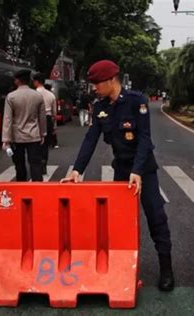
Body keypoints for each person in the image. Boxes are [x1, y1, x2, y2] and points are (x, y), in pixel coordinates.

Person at [61, 60, 174, 291]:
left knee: (156, 216)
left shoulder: (137, 101)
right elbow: (90, 139)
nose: (93, 87)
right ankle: (122, 266)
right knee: (119, 221)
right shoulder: (101, 106)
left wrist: (138, 171)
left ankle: (167, 269)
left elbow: (144, 138)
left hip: (144, 170)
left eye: (96, 83)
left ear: (112, 80)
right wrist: (77, 170)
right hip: (122, 171)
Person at [2, 69, 46, 181]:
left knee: (19, 165)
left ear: (17, 81)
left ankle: (22, 189)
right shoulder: (37, 96)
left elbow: (8, 119)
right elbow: (42, 117)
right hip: (34, 135)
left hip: (17, 137)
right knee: (35, 164)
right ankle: (38, 189)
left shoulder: (11, 97)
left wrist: (6, 139)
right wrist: (43, 133)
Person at [32, 73, 57, 174]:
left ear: (36, 82)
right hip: (48, 119)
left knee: (36, 143)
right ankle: (44, 163)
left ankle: (37, 164)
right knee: (45, 144)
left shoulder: (34, 94)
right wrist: (54, 126)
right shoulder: (51, 95)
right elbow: (54, 113)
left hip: (36, 119)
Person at [44, 83, 60, 149]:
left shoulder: (38, 94)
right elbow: (54, 108)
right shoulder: (51, 95)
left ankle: (45, 142)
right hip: (49, 114)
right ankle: (54, 143)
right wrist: (55, 115)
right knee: (52, 129)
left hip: (41, 114)